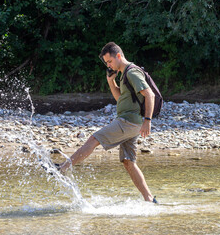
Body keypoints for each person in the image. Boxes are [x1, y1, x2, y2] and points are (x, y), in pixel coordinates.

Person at [59, 42, 157, 203]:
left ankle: (63, 168)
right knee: (128, 162)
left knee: (93, 139)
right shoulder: (124, 74)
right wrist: (111, 81)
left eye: (109, 61)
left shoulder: (132, 72)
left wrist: (148, 120)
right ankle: (149, 199)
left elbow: (150, 95)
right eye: (107, 63)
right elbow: (121, 99)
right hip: (130, 122)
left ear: (118, 56)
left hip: (129, 122)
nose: (108, 65)